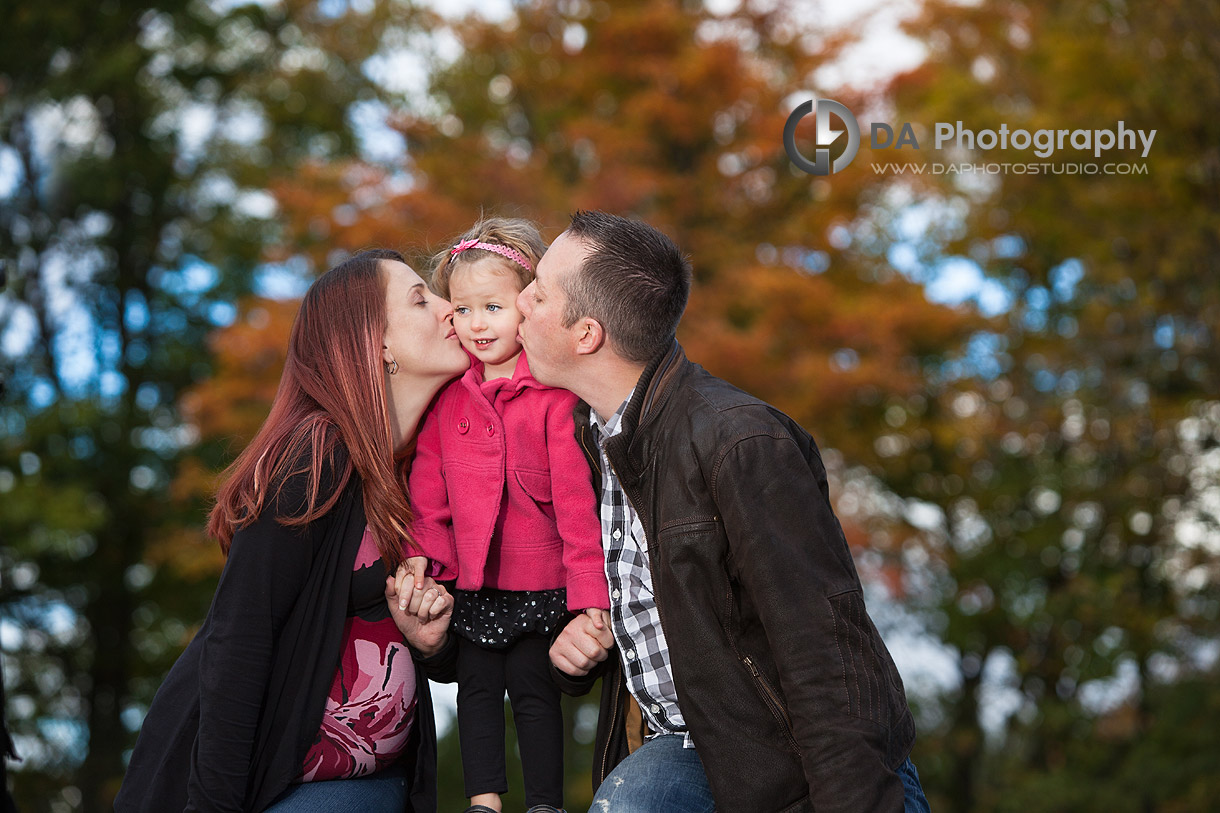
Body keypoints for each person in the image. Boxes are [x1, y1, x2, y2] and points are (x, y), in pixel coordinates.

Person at [516, 211, 933, 813]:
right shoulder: (590, 439)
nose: (521, 301)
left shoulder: (740, 444)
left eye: (540, 291)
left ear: (587, 334)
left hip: (803, 773)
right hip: (691, 751)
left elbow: (824, 651)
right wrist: (575, 658)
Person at [115, 249, 467, 813]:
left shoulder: (425, 469)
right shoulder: (316, 454)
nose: (452, 309)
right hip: (265, 787)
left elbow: (449, 650)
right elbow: (239, 635)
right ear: (376, 343)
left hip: (373, 784)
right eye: (421, 299)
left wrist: (433, 645)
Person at [404, 219, 609, 813]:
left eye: (493, 307)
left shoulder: (554, 399)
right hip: (472, 581)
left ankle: (545, 802)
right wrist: (428, 561)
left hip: (541, 581)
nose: (477, 324)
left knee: (535, 693)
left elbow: (576, 507)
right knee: (476, 692)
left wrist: (588, 590)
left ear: (526, 308)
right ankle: (484, 800)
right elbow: (429, 494)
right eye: (463, 310)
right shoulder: (449, 399)